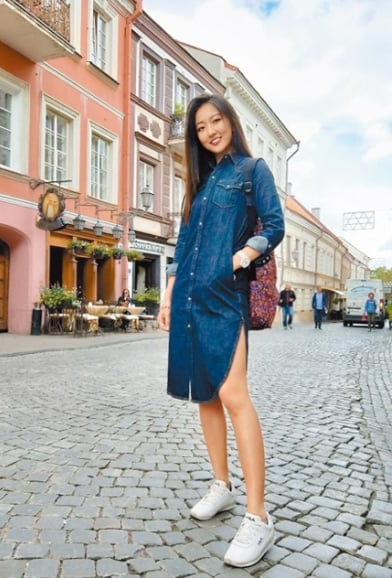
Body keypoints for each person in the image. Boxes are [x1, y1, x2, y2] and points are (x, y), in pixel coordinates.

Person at [158, 93, 284, 568]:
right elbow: (184, 240)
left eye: (217, 121)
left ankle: (258, 517)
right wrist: (168, 295)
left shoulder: (253, 172)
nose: (211, 130)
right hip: (189, 295)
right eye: (202, 127)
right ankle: (222, 485)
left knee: (234, 394)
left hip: (225, 296)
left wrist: (241, 256)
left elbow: (273, 224)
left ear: (230, 121)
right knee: (205, 394)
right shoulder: (201, 184)